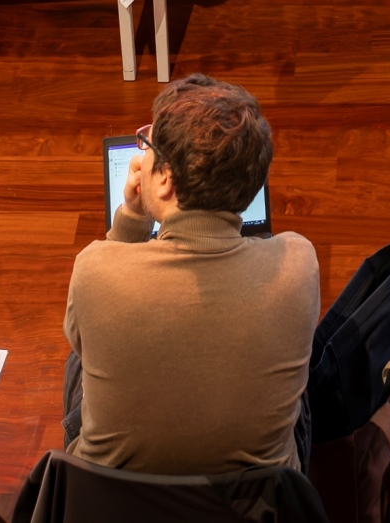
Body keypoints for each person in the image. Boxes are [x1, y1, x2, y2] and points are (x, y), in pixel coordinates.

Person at [64, 75, 319, 474]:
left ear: (165, 178)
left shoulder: (95, 270)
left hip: (114, 503)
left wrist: (130, 218)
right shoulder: (298, 264)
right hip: (258, 506)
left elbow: (83, 342)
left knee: (81, 357)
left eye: (146, 145)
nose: (140, 154)